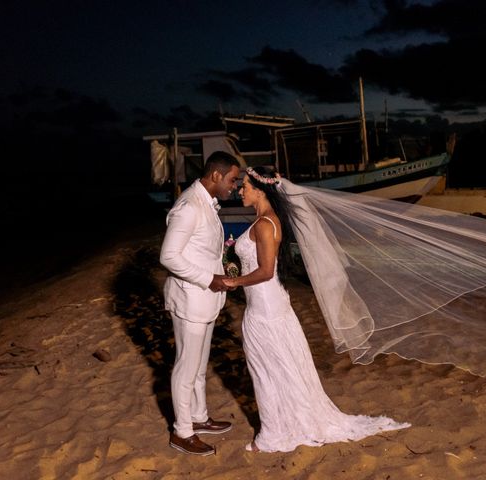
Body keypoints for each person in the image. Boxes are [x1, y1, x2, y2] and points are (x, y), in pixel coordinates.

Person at [222, 166, 410, 453]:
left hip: (266, 309)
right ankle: (280, 426)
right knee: (276, 369)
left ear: (261, 189)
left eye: (245, 185)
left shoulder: (264, 224)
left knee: (267, 370)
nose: (240, 189)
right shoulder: (265, 220)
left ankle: (273, 434)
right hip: (269, 305)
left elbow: (266, 271)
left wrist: (234, 280)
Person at [160, 150, 241, 456]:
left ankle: (199, 417)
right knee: (186, 366)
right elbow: (168, 256)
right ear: (216, 175)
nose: (234, 186)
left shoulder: (206, 202)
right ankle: (181, 432)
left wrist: (225, 269)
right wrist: (210, 279)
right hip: (191, 300)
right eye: (232, 180)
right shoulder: (189, 206)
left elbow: (204, 248)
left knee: (198, 366)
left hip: (206, 301)